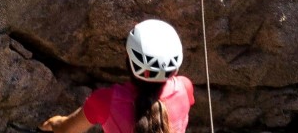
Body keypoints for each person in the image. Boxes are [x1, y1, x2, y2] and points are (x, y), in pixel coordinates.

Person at [39, 19, 194, 133]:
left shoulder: (105, 101)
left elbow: (67, 129)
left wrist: (52, 123)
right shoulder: (184, 87)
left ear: (128, 58)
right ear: (174, 69)